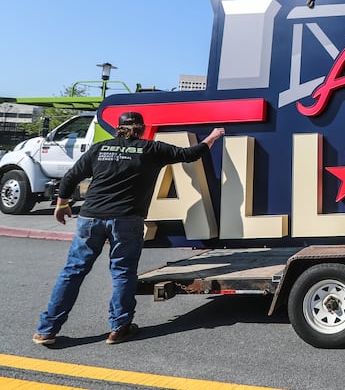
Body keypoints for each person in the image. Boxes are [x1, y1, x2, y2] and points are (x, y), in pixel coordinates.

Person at [33, 111, 225, 346]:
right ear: (142, 129)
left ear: (118, 128)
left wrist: (62, 205)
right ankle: (119, 328)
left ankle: (47, 330)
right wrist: (213, 137)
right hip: (126, 220)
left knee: (73, 272)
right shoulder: (151, 149)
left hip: (90, 218)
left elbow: (71, 177)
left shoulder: (100, 148)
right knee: (122, 273)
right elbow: (189, 154)